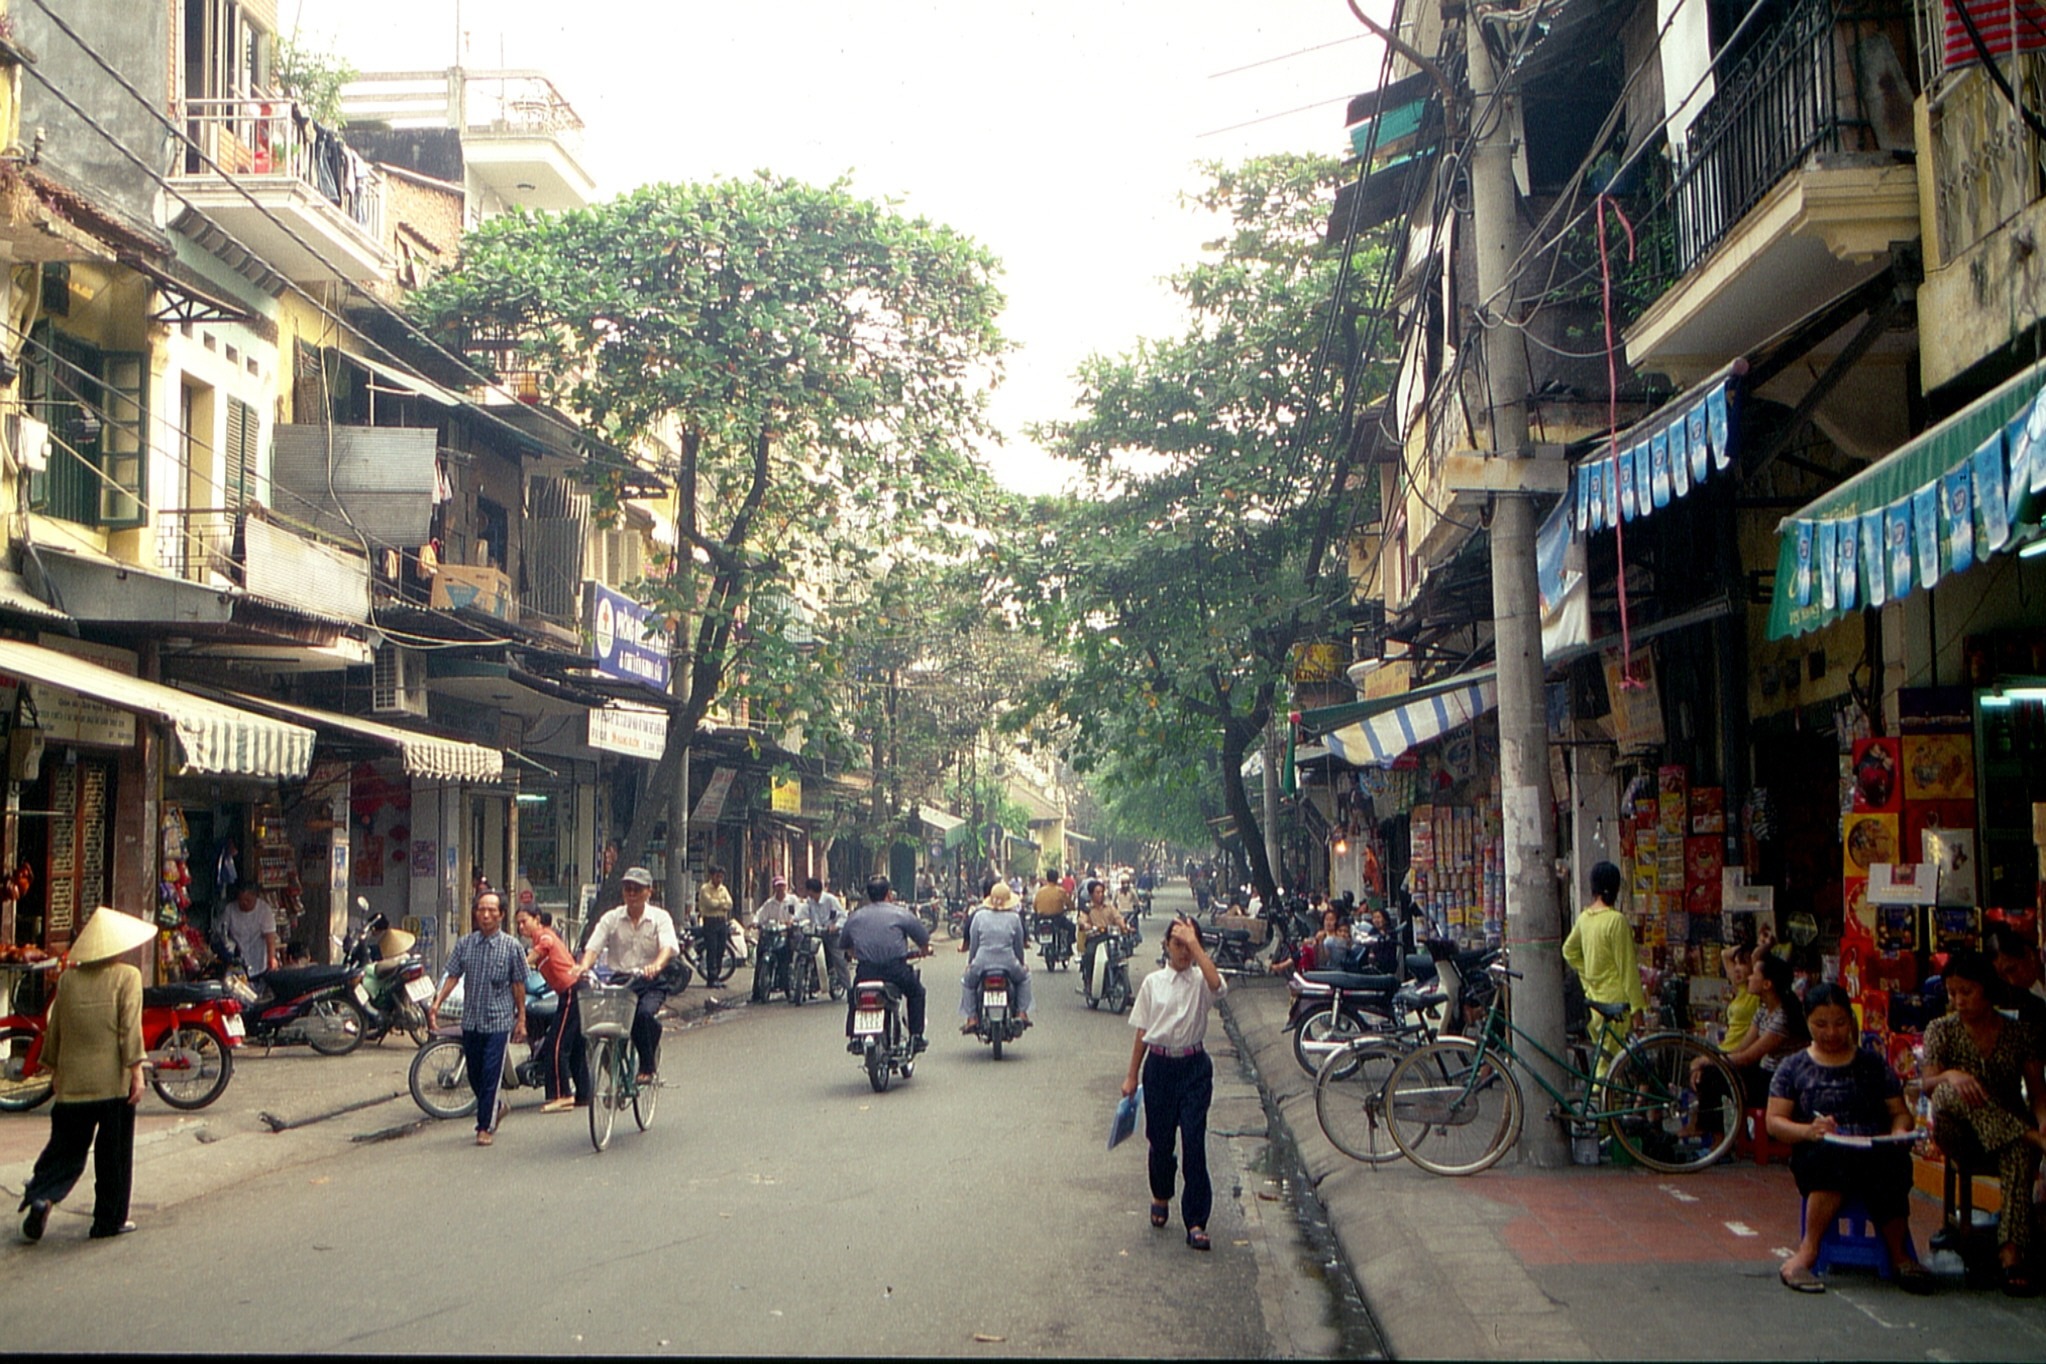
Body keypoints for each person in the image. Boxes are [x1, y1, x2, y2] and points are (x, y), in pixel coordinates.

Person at [1768, 983, 1933, 1294]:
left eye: (1840, 1023)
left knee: (1893, 1164)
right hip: (1820, 1153)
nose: (1831, 1032)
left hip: (1872, 1151)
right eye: (1821, 1024)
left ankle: (1900, 1255)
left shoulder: (1872, 1063)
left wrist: (1900, 1130)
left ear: (1851, 1021)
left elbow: (1899, 1113)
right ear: (1807, 1022)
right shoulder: (1793, 1067)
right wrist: (1808, 1130)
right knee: (1831, 1160)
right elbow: (1775, 1122)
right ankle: (1806, 1253)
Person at [18, 906, 153, 1243]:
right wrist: (136, 1071)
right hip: (112, 1084)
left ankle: (42, 1195)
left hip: (73, 1083)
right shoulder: (127, 977)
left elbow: (55, 1029)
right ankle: (108, 1221)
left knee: (64, 1151)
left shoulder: (68, 980)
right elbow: (129, 1029)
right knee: (113, 1156)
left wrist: (55, 1070)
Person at [1919, 949, 2046, 1294]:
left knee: (2018, 1151)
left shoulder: (2019, 1033)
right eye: (1952, 993)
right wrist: (1952, 1074)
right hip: (1959, 1131)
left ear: (1986, 990)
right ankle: (2029, 1136)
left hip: (2008, 1127)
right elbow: (1928, 1084)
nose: (1958, 1001)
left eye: (1967, 992)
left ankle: (2011, 1251)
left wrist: (2043, 1121)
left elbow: (2037, 1093)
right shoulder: (1941, 1029)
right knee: (1949, 1092)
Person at [1123, 916, 1226, 1252]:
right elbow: (1143, 1030)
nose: (1183, 951)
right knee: (1161, 1140)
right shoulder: (1153, 983)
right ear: (1166, 945)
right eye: (1177, 943)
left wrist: (1195, 944)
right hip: (1160, 1068)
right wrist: (1131, 1075)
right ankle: (1161, 1193)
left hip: (1194, 1068)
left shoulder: (1201, 981)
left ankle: (1196, 1220)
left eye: (1189, 944)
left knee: (1194, 1142)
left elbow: (1218, 986)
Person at [427, 890, 528, 1146]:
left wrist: (521, 1019)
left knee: (491, 1074)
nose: (486, 915)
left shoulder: (512, 947)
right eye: (481, 909)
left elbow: (518, 985)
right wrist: (436, 1003)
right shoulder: (465, 944)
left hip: (498, 1020)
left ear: (501, 915)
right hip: (471, 1019)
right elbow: (453, 975)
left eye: (492, 910)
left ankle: (485, 1126)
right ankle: (497, 1107)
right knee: (474, 1074)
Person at [578, 866, 679, 1083]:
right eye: (628, 889)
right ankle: (614, 1076)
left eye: (637, 889)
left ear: (649, 891)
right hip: (622, 981)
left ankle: (647, 1066)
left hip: (651, 981)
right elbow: (593, 947)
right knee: (600, 1025)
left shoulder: (660, 918)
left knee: (643, 1016)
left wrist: (656, 965)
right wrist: (583, 967)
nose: (632, 893)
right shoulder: (611, 918)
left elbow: (667, 948)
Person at [1562, 861, 1648, 1067]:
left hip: (1594, 1000)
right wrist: (1638, 1010)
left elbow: (1568, 950)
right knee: (1610, 1066)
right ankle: (1601, 1090)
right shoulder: (1616, 921)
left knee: (1606, 1060)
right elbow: (1628, 971)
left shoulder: (1585, 918)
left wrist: (1587, 974)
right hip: (1616, 1004)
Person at [841, 874, 931, 1053]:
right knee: (916, 992)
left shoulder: (855, 917)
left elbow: (846, 945)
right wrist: (924, 950)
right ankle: (916, 1036)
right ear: (889, 894)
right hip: (896, 970)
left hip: (866, 971)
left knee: (854, 995)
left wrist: (856, 953)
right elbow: (923, 939)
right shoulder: (901, 914)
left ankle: (855, 1037)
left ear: (868, 895)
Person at [515, 907, 587, 1114]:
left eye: (524, 921)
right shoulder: (539, 939)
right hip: (573, 990)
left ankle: (562, 1095)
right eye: (518, 923)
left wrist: (520, 964)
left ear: (537, 919)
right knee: (575, 1046)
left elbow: (543, 947)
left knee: (556, 1045)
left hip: (572, 991)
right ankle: (584, 1093)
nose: (521, 927)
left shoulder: (543, 935)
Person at [959, 879, 1033, 1031]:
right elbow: (1018, 945)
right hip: (1009, 962)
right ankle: (1022, 1013)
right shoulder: (1014, 918)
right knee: (1024, 978)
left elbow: (974, 944)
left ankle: (972, 1018)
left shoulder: (979, 916)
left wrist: (971, 963)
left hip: (981, 962)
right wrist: (1021, 963)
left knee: (968, 982)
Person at [220, 880, 279, 981]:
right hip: (237, 961)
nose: (244, 903)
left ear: (255, 897)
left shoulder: (264, 910)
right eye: (241, 900)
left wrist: (271, 958)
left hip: (258, 960)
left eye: (247, 900)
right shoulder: (230, 909)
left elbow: (270, 937)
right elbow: (222, 931)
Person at [1988, 924, 2046, 1027]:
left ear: (2029, 954)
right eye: (2003, 976)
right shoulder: (2032, 992)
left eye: (2012, 969)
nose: (2012, 981)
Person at [800, 875, 849, 996]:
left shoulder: (830, 900)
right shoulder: (809, 902)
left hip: (832, 935)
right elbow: (801, 913)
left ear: (812, 890)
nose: (808, 893)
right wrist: (795, 920)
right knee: (806, 952)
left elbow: (843, 916)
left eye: (808, 890)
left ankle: (849, 987)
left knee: (838, 959)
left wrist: (835, 926)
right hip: (816, 934)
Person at [1079, 879, 1131, 990]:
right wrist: (1085, 925)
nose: (1100, 895)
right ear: (1091, 894)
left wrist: (1124, 926)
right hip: (1095, 939)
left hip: (1110, 937)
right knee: (1089, 955)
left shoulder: (1110, 907)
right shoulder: (1087, 909)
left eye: (1102, 892)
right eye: (1097, 892)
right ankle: (1089, 981)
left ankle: (1127, 989)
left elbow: (1118, 918)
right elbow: (1082, 920)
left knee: (1121, 956)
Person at [694, 865, 734, 982]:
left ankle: (717, 976)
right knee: (712, 949)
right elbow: (710, 904)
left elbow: (730, 904)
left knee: (721, 949)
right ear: (712, 876)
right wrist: (722, 904)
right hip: (710, 921)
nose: (719, 879)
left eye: (721, 877)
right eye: (717, 876)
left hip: (722, 921)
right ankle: (711, 978)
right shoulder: (705, 889)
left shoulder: (723, 889)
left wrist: (719, 904)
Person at [1032, 869, 1074, 961]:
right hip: (1057, 918)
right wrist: (1071, 907)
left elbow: (1034, 906)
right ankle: (1069, 947)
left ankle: (1043, 947)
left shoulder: (1040, 891)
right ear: (1057, 878)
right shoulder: (1060, 891)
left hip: (1041, 917)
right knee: (1072, 927)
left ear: (1047, 878)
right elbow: (1069, 904)